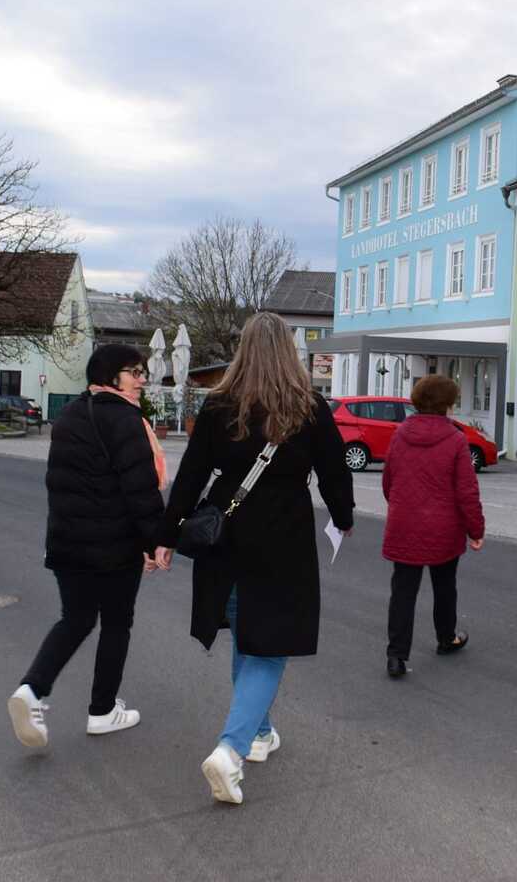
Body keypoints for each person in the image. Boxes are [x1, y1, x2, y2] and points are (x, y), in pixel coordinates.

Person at [155, 312, 354, 805]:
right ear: (289, 351)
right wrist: (343, 517)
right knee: (268, 646)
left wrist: (167, 533)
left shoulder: (219, 405)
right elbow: (335, 474)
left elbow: (191, 474)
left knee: (249, 635)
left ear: (243, 350)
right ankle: (232, 749)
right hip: (284, 536)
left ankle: (260, 733)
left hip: (226, 532)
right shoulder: (309, 406)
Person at [7, 344, 168, 747]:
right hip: (115, 547)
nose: (142, 380)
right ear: (111, 375)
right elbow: (140, 491)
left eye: (143, 372)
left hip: (66, 542)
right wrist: (156, 542)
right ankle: (102, 711)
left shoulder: (69, 415)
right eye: (134, 372)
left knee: (75, 619)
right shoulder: (126, 420)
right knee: (116, 623)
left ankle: (31, 690)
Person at [380, 374, 485, 678]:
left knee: (403, 591)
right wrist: (475, 530)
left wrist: (402, 507)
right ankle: (446, 638)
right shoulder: (455, 439)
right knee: (444, 585)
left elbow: (388, 481)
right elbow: (467, 492)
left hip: (404, 524)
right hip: (444, 527)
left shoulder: (400, 434)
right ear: (446, 404)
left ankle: (396, 656)